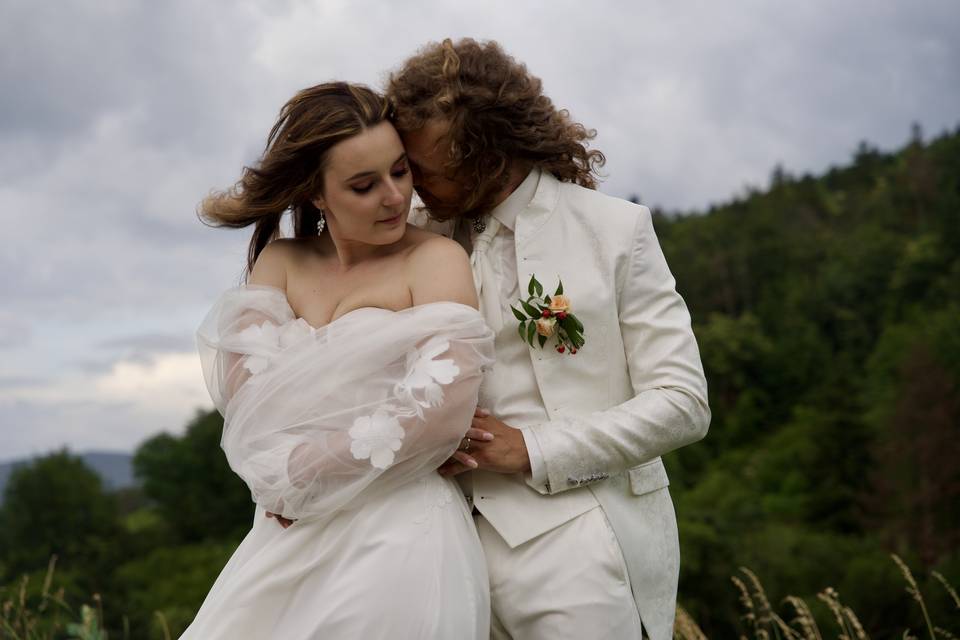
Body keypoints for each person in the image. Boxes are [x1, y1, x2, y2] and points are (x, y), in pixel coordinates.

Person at [387, 39, 711, 640]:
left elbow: (683, 403)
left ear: (489, 155)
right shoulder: (407, 238)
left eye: (428, 169)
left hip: (585, 544)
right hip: (439, 549)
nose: (411, 185)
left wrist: (535, 449)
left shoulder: (614, 231)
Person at [181, 82, 495, 639]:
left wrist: (300, 475)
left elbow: (441, 414)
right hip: (286, 534)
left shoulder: (436, 260)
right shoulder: (281, 261)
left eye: (400, 171)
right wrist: (286, 480)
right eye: (363, 185)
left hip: (397, 538)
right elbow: (250, 408)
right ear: (317, 194)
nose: (395, 197)